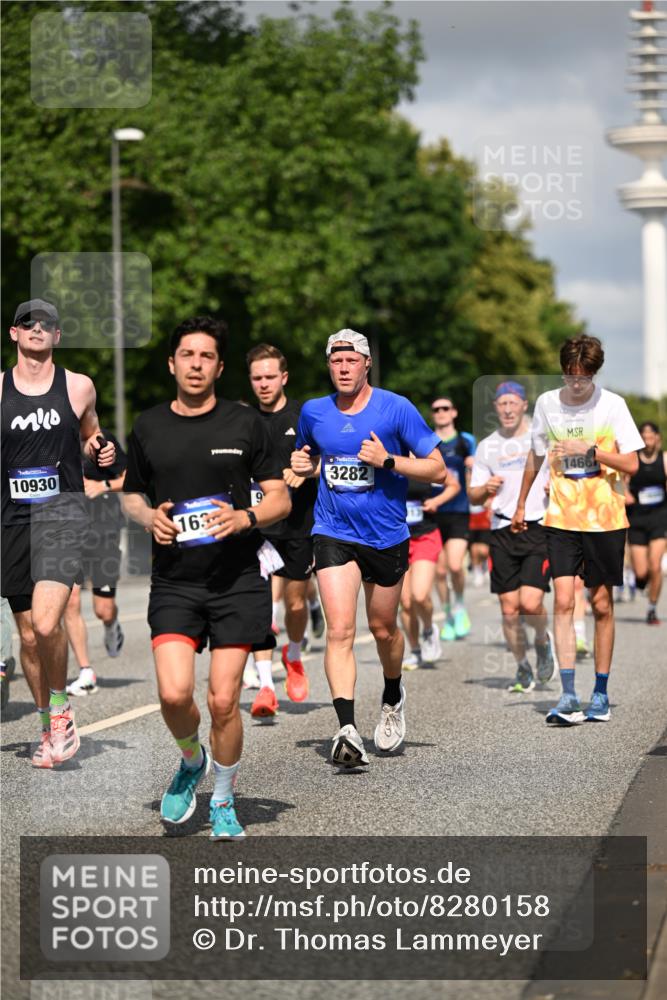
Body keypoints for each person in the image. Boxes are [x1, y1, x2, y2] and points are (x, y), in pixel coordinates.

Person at [123, 316, 290, 839]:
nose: (196, 364)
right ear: (172, 363)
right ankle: (192, 760)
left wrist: (245, 517)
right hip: (175, 579)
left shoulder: (246, 424)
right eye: (187, 355)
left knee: (222, 700)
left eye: (207, 356)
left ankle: (221, 799)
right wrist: (148, 516)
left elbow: (279, 496)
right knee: (174, 695)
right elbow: (131, 493)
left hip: (238, 578)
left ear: (219, 367)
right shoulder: (149, 425)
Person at [291, 329, 446, 768]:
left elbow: (438, 471)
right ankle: (346, 729)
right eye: (336, 362)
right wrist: (303, 465)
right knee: (340, 631)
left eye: (351, 361)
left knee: (383, 630)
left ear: (366, 364)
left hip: (386, 535)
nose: (343, 369)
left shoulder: (395, 408)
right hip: (333, 530)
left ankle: (393, 694)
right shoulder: (314, 411)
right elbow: (304, 457)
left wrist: (389, 461)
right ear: (329, 366)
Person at [1, 298, 115, 767]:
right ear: (14, 334)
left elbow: (91, 433)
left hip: (62, 513)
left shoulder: (78, 386)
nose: (37, 329)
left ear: (57, 336)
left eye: (46, 324)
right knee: (28, 637)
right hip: (11, 519)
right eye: (28, 323)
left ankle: (63, 712)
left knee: (49, 622)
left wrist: (99, 452)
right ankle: (49, 726)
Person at [512, 336, 643, 725]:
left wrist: (594, 451)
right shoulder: (548, 404)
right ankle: (568, 694)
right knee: (563, 601)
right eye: (570, 377)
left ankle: (599, 692)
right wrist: (521, 502)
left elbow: (632, 464)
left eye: (583, 378)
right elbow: (535, 457)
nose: (576, 384)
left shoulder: (612, 405)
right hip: (562, 518)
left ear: (594, 373)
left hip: (604, 518)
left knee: (601, 604)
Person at [245, 343, 318, 717]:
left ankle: (293, 652)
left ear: (284, 377)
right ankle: (265, 686)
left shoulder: (305, 416)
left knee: (294, 603)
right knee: (259, 605)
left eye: (270, 377)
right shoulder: (243, 421)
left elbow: (329, 460)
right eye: (256, 378)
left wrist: (307, 470)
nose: (263, 384)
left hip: (299, 526)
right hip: (259, 527)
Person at [469, 382, 555, 692]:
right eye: (501, 403)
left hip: (537, 526)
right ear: (495, 407)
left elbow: (563, 475)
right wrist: (485, 488)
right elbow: (474, 496)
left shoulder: (541, 437)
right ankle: (522, 667)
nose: (507, 409)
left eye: (512, 403)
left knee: (530, 603)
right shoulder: (487, 446)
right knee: (508, 609)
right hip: (501, 530)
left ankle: (543, 642)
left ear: (523, 405)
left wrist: (553, 487)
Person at [65, 428, 127, 696]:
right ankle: (85, 671)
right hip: (66, 532)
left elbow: (131, 477)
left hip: (104, 531)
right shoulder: (50, 438)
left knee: (103, 609)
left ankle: (112, 625)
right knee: (71, 600)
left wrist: (102, 485)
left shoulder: (103, 440)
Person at [400, 473, 460, 669]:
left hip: (424, 535)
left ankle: (428, 630)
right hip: (395, 537)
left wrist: (436, 500)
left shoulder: (424, 457)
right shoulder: (384, 456)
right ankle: (415, 651)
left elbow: (453, 485)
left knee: (419, 595)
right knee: (405, 602)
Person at [428, 397, 475, 641]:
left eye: (446, 408)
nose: (441, 412)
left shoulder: (466, 441)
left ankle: (458, 605)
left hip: (458, 510)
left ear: (454, 412)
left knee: (455, 565)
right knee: (439, 571)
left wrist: (473, 466)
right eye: (436, 409)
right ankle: (446, 615)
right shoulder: (427, 440)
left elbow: (478, 470)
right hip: (433, 513)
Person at [626, 421, 667, 625]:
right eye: (644, 437)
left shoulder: (665, 459)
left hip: (659, 518)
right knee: (641, 572)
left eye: (651, 436)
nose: (648, 440)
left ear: (657, 438)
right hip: (637, 518)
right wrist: (625, 495)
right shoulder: (632, 460)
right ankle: (641, 582)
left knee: (655, 565)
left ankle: (652, 609)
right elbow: (621, 482)